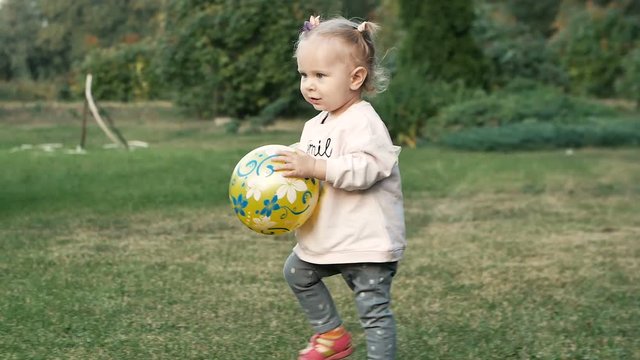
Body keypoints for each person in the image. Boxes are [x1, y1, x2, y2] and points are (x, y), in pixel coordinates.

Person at [274, 15, 406, 360]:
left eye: (320, 75)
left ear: (355, 77)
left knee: (373, 313)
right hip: (330, 235)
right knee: (297, 272)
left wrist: (315, 166)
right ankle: (331, 335)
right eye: (304, 75)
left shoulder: (363, 121)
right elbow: (308, 166)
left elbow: (368, 168)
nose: (309, 85)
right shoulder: (315, 124)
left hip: (365, 241)